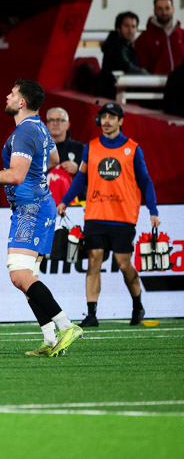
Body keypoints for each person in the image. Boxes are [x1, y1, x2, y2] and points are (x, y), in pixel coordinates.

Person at [0, 79, 82, 357]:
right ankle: (50, 340)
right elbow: (53, 158)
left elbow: (15, 175)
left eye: (12, 93)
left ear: (22, 102)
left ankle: (66, 326)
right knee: (28, 276)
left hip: (31, 209)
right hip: (39, 204)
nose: (7, 96)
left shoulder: (25, 132)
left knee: (19, 273)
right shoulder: (39, 127)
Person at [58, 102, 160, 328]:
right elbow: (81, 178)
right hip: (95, 214)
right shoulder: (91, 147)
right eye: (103, 116)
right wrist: (65, 200)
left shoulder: (132, 149)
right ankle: (92, 314)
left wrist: (153, 211)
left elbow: (145, 181)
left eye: (111, 117)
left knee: (124, 264)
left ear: (121, 121)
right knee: (93, 261)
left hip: (123, 217)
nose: (106, 121)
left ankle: (137, 305)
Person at [96, 12, 148, 99]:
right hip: (112, 94)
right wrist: (146, 74)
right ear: (118, 28)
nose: (130, 30)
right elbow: (127, 67)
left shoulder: (126, 46)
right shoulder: (116, 46)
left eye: (133, 26)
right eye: (127, 26)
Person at [134, 0, 184, 76]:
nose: (164, 12)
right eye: (160, 9)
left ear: (173, 9)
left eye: (167, 8)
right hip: (156, 86)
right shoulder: (144, 38)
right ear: (154, 11)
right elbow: (142, 68)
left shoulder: (182, 34)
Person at [44, 107, 83, 181]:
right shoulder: (37, 148)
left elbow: (92, 177)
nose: (55, 123)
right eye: (51, 120)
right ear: (47, 125)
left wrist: (78, 169)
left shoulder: (80, 148)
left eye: (60, 120)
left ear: (68, 125)